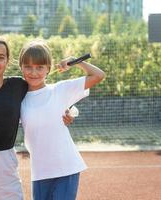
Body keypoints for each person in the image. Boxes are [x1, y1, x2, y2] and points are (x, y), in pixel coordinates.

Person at [0, 36, 74, 200]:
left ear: (7, 61)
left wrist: (68, 111)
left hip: (5, 161)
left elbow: (44, 94)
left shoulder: (18, 86)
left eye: (1, 57)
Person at [18, 40, 105, 200]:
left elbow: (99, 75)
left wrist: (76, 61)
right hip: (40, 171)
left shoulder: (60, 89)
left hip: (66, 167)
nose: (34, 72)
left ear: (48, 69)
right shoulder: (18, 98)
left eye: (40, 67)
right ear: (21, 67)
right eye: (28, 67)